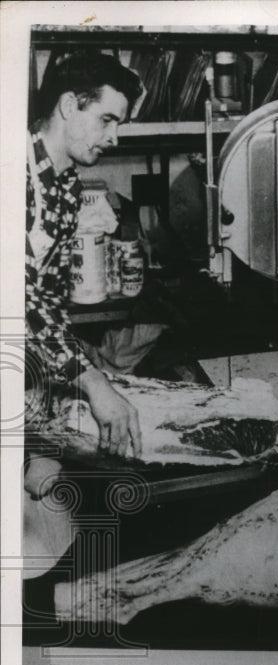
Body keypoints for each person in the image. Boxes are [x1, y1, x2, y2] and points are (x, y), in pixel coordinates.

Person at [26, 51, 144, 458]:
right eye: (106, 120)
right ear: (68, 105)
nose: (113, 137)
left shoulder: (67, 186)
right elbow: (16, 299)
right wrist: (91, 381)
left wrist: (74, 382)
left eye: (118, 124)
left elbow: (50, 301)